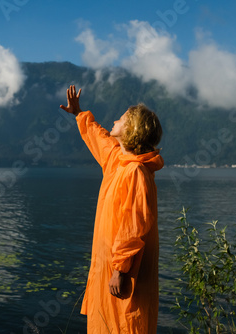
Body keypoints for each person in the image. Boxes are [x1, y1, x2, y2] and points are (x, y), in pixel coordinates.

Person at [60, 85, 164, 333]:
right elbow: (101, 140)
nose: (115, 121)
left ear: (132, 130)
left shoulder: (135, 171)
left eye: (122, 118)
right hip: (111, 266)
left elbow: (134, 226)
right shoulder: (119, 161)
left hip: (125, 270)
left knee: (125, 323)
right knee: (106, 322)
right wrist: (80, 114)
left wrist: (120, 269)